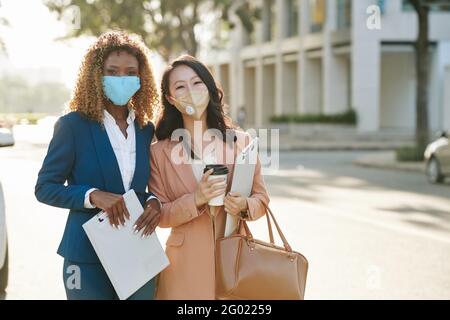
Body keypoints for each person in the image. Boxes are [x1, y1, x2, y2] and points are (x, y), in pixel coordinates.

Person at [35, 31, 161, 300]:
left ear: (141, 78)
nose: (122, 79)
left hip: (137, 249)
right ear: (96, 76)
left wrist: (153, 201)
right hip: (86, 256)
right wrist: (92, 195)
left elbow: (142, 186)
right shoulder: (72, 126)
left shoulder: (145, 129)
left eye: (130, 72)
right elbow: (45, 187)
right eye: (112, 72)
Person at [149, 55, 270, 300]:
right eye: (180, 87)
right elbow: (159, 215)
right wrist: (195, 199)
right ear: (171, 99)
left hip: (235, 260)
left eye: (197, 83)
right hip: (184, 268)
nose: (191, 92)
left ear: (209, 88)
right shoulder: (159, 152)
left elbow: (262, 200)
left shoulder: (241, 142)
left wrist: (245, 205)